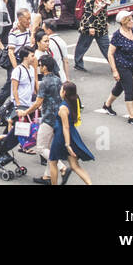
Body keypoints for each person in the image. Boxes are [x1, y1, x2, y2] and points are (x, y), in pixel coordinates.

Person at [49, 81, 94, 184]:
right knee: (74, 165)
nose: (60, 91)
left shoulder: (63, 108)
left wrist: (67, 144)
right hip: (72, 134)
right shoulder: (73, 102)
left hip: (61, 136)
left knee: (52, 162)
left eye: (61, 89)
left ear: (64, 92)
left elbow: (65, 127)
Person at [28, 54, 64, 184]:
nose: (39, 67)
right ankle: (47, 176)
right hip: (58, 117)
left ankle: (61, 167)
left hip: (48, 118)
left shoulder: (44, 83)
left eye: (40, 65)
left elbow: (38, 103)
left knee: (41, 147)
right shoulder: (58, 80)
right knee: (50, 148)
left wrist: (26, 112)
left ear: (44, 67)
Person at [73, 0, 110, 71]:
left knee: (107, 46)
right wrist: (90, 27)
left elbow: (103, 11)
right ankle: (78, 63)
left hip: (101, 25)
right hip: (91, 25)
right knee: (83, 45)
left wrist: (106, 22)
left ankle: (114, 64)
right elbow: (88, 11)